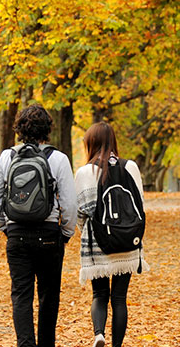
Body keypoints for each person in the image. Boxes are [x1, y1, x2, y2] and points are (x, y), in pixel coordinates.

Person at [0, 104, 77, 347]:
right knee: (49, 297)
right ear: (47, 129)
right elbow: (69, 203)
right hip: (49, 236)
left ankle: (25, 344)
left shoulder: (8, 157)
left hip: (17, 237)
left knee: (21, 296)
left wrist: (5, 227)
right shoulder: (59, 159)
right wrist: (66, 232)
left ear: (19, 129)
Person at [74, 122, 150, 347]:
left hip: (99, 243)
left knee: (99, 295)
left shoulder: (85, 172)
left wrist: (85, 232)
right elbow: (140, 205)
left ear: (91, 144)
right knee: (119, 298)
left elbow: (81, 211)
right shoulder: (131, 167)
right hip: (127, 241)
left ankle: (99, 334)